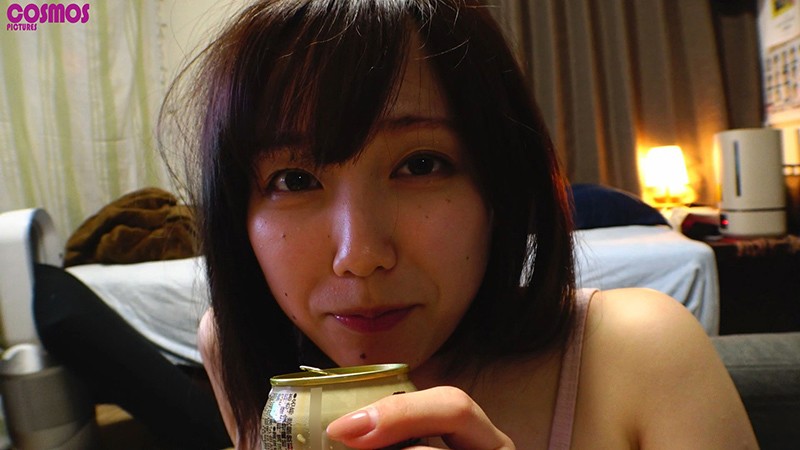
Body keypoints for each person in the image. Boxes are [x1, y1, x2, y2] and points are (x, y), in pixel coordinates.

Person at [161, 0, 758, 448]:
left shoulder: (640, 356)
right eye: (293, 179)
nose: (360, 255)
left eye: (421, 165)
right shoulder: (240, 344)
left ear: (500, 186)